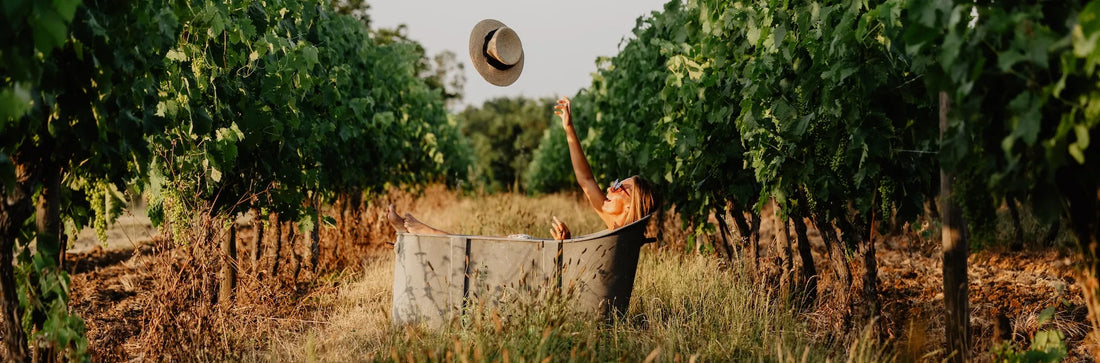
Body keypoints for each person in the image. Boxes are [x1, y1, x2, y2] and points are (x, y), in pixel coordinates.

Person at [388, 96, 655, 240]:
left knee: (512, 242)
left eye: (621, 186)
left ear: (633, 205)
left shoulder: (621, 235)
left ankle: (429, 234)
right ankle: (425, 235)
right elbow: (585, 179)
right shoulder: (616, 226)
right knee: (512, 239)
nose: (611, 186)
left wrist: (566, 245)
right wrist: (569, 129)